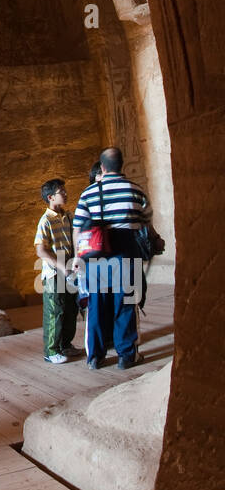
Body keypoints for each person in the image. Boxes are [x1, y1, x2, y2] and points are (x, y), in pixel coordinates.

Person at [72, 146, 152, 370]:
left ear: (103, 167)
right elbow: (147, 224)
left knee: (97, 306)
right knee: (126, 304)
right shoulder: (136, 190)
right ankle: (126, 355)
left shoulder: (88, 193)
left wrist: (78, 256)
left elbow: (78, 228)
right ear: (121, 165)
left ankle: (95, 357)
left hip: (96, 256)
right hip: (127, 252)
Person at [34, 179, 80, 364]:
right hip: (54, 273)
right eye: (62, 191)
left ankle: (66, 345)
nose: (66, 194)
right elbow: (41, 250)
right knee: (56, 311)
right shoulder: (45, 221)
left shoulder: (68, 216)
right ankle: (51, 351)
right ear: (51, 197)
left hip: (70, 269)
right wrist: (62, 267)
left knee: (70, 309)